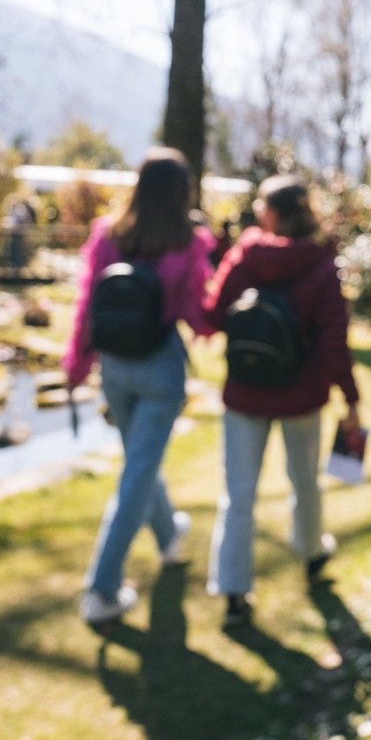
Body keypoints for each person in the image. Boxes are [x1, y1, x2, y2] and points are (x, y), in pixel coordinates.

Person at [64, 148, 218, 624]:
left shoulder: (109, 235)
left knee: (140, 463)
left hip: (113, 368)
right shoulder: (187, 243)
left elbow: (87, 303)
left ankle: (169, 536)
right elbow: (200, 315)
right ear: (181, 192)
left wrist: (76, 366)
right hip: (159, 370)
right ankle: (101, 590)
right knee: (137, 474)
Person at [205, 175, 362, 627]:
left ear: (272, 213)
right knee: (305, 481)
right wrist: (350, 400)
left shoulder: (246, 256)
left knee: (238, 494)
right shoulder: (320, 264)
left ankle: (234, 590)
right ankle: (312, 553)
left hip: (245, 392)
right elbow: (335, 340)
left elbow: (214, 314)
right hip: (302, 394)